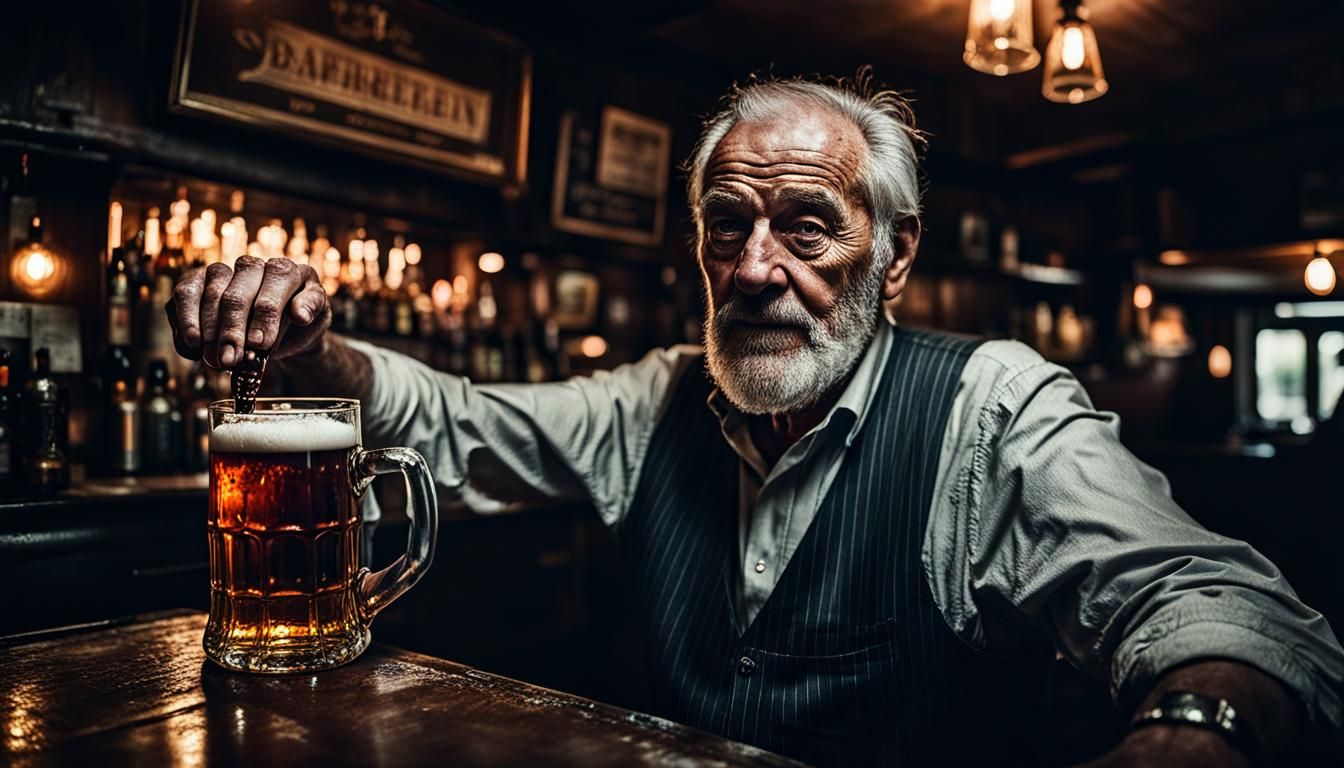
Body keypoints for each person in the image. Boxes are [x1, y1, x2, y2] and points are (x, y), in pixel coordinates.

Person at [167, 70, 1343, 766]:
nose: (757, 268)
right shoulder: (658, 398)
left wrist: (1191, 733)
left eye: (808, 228)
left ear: (894, 257)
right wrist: (314, 354)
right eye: (728, 228)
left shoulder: (994, 407)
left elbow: (1228, 607)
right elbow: (459, 423)